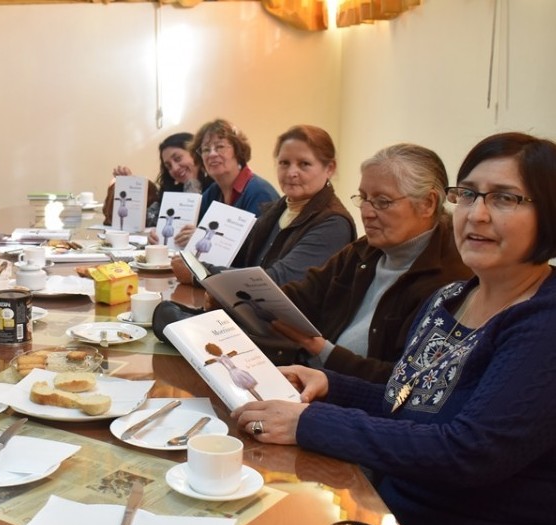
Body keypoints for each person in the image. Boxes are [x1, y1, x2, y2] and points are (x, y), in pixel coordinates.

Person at [233, 132, 556, 525]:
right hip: (391, 520)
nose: (477, 213)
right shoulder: (452, 299)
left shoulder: (543, 323)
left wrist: (311, 423)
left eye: (505, 198)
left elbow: (466, 452)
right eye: (467, 195)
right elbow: (408, 400)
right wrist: (331, 384)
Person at [271, 143, 472, 382]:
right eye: (364, 198)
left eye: (382, 201)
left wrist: (321, 350)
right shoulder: (365, 250)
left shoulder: (451, 279)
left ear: (428, 203)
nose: (366, 212)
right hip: (313, 378)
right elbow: (303, 295)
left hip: (357, 404)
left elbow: (404, 383)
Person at [229, 125, 355, 286]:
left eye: (304, 164)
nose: (291, 173)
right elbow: (238, 257)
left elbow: (276, 281)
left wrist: (202, 274)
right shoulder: (278, 209)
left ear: (330, 168)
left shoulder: (334, 224)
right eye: (284, 163)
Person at [170, 119, 279, 249]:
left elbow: (255, 251)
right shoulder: (213, 192)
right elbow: (190, 229)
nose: (212, 154)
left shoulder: (260, 193)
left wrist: (200, 236)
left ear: (238, 151)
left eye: (220, 147)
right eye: (205, 149)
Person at [101, 132, 213, 228]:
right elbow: (147, 220)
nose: (174, 168)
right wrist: (131, 187)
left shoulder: (217, 188)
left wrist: (192, 184)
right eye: (168, 166)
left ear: (195, 153)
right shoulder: (171, 193)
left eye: (178, 158)